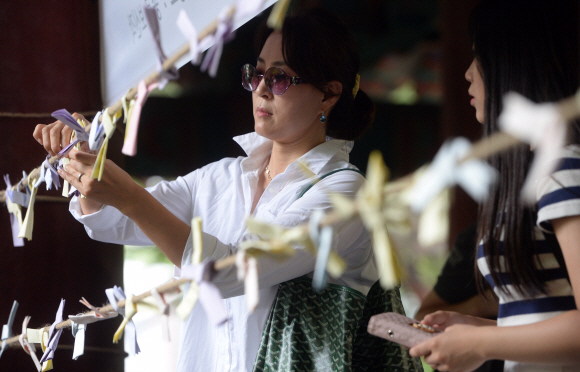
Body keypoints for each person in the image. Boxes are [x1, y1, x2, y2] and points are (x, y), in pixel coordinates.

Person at [34, 8, 420, 372]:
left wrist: (128, 194)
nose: (262, 90)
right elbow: (112, 222)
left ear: (329, 94)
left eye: (280, 78)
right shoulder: (221, 177)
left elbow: (235, 273)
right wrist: (85, 162)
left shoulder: (345, 192)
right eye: (257, 74)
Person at [409, 1, 580, 371]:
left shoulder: (564, 167)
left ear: (514, 62)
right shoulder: (543, 174)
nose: (468, 74)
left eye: (479, 56)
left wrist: (482, 342)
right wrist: (476, 329)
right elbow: (547, 316)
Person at [415, 224, 503, 372]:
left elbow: (552, 334)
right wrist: (476, 314)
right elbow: (423, 318)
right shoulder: (477, 238)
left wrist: (478, 343)